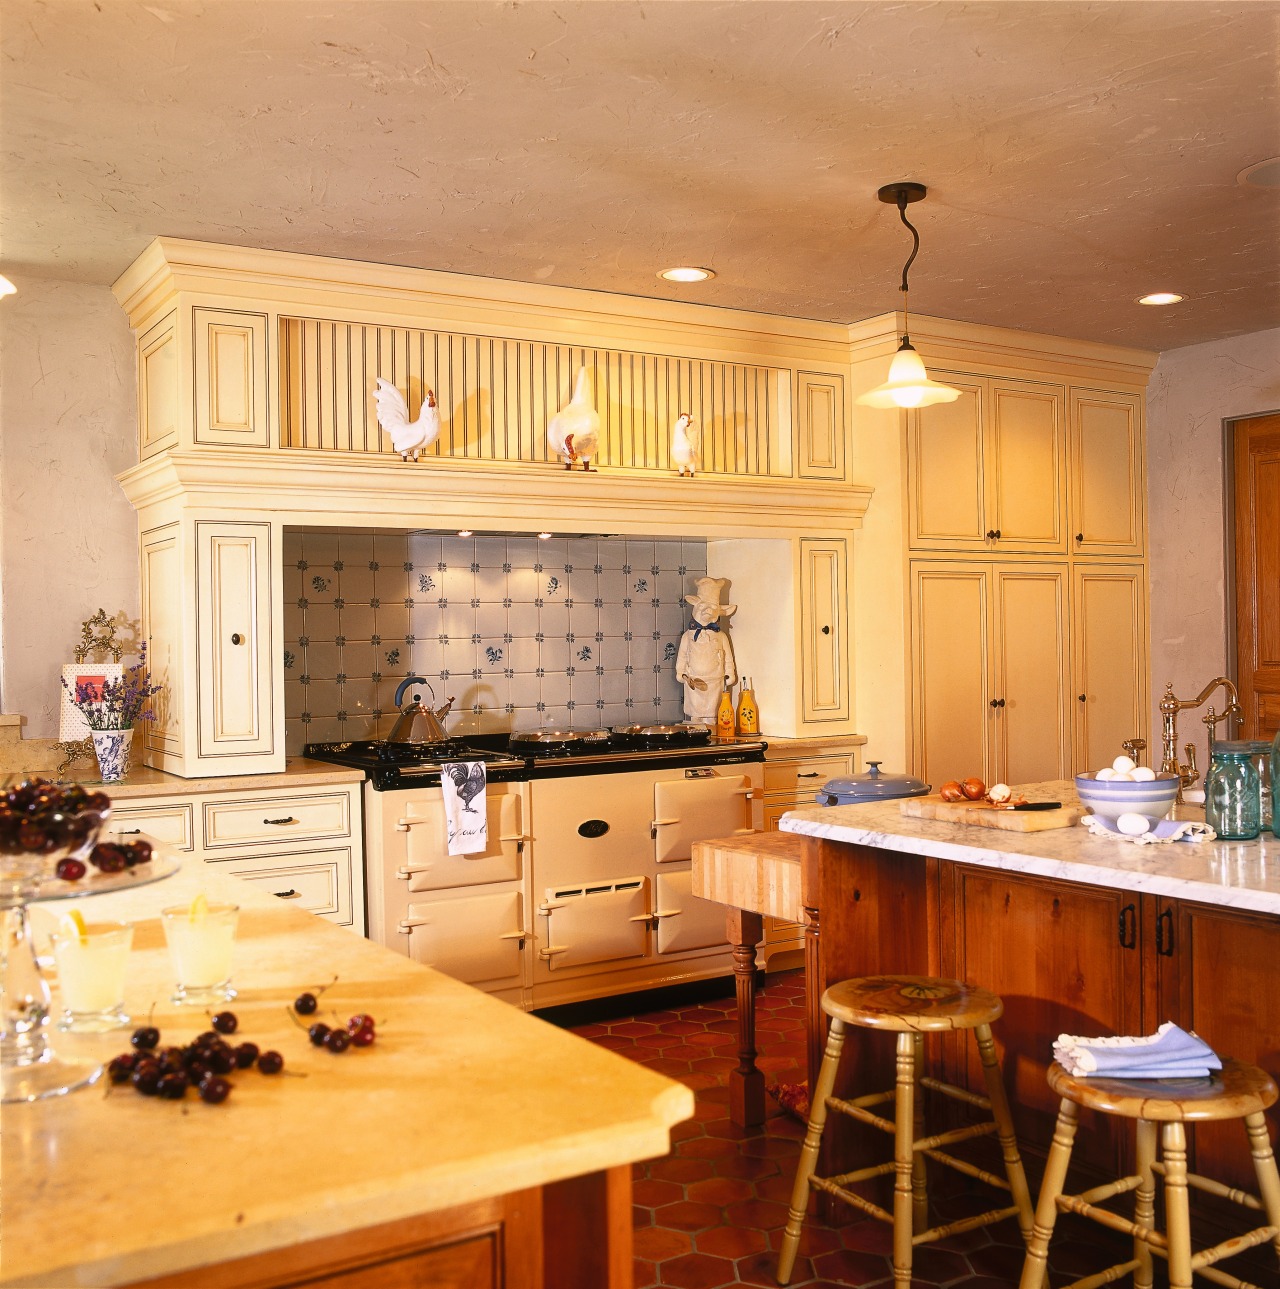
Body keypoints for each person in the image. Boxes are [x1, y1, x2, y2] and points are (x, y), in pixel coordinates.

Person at [675, 577, 737, 725]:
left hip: (715, 680)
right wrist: (680, 671)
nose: (707, 610)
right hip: (693, 681)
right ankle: (696, 725)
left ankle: (713, 726)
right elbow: (682, 655)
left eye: (712, 607)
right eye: (703, 605)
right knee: (695, 710)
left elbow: (728, 657)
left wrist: (730, 673)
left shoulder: (721, 636)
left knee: (713, 710)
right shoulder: (687, 637)